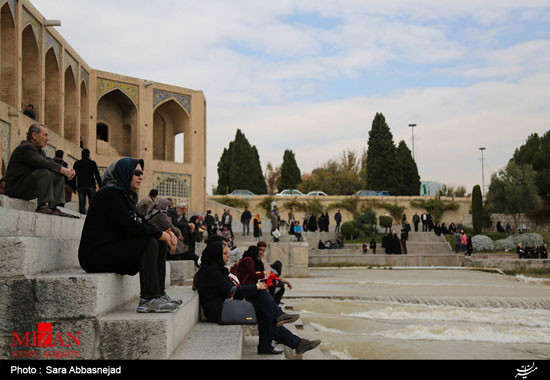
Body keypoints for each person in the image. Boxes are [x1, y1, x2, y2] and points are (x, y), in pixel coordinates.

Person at [78, 158, 180, 313]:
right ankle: (149, 298)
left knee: (156, 241)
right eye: (137, 173)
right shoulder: (108, 195)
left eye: (141, 173)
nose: (141, 177)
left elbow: (141, 222)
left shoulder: (125, 196)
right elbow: (131, 226)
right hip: (94, 256)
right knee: (149, 242)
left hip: (111, 250)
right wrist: (160, 234)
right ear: (124, 173)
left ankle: (158, 294)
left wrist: (166, 235)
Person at [193, 238, 320, 355]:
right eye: (225, 254)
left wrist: (256, 288)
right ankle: (285, 335)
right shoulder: (211, 272)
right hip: (218, 311)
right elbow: (233, 291)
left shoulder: (215, 269)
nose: (228, 256)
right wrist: (256, 287)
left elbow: (231, 291)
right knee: (263, 306)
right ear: (216, 255)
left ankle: (286, 334)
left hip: (224, 305)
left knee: (263, 305)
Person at [4, 123, 75, 216]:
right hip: (16, 188)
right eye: (45, 135)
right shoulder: (25, 147)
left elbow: (49, 161)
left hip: (26, 186)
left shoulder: (40, 151)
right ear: (34, 135)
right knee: (45, 172)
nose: (48, 139)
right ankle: (42, 206)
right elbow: (42, 162)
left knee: (58, 176)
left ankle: (54, 207)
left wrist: (67, 170)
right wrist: (63, 170)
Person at [145, 197, 199, 266]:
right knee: (181, 246)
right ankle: (196, 259)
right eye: (167, 206)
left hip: (160, 235)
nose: (168, 208)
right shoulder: (160, 214)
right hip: (160, 237)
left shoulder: (154, 212)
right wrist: (178, 232)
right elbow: (170, 225)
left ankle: (193, 258)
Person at [73, 148, 102, 214]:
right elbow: (97, 175)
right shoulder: (92, 163)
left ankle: (82, 219)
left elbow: (74, 176)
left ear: (81, 155)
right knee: (92, 204)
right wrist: (101, 186)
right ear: (88, 155)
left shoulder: (77, 163)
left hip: (81, 186)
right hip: (91, 186)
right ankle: (91, 218)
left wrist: (73, 187)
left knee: (82, 204)